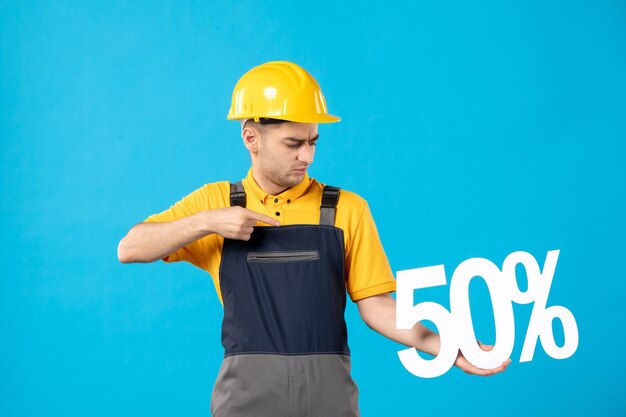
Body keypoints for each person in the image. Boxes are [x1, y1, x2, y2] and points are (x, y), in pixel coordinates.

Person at [117, 61, 510, 417]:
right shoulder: (217, 203)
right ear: (251, 137)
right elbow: (130, 247)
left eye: (313, 142)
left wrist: (448, 346)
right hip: (245, 401)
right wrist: (206, 222)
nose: (307, 156)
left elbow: (377, 308)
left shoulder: (346, 209)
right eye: (293, 144)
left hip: (329, 400)